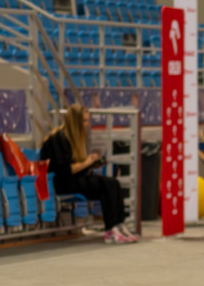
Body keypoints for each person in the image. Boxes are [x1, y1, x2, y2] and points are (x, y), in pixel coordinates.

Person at [40, 103, 137, 244]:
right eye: (84, 121)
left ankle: (117, 224)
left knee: (113, 183)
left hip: (76, 178)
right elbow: (65, 170)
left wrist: (93, 163)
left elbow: (78, 166)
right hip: (63, 182)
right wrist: (87, 162)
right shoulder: (58, 139)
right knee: (106, 185)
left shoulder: (74, 137)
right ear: (76, 122)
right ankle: (110, 228)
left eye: (88, 120)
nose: (87, 124)